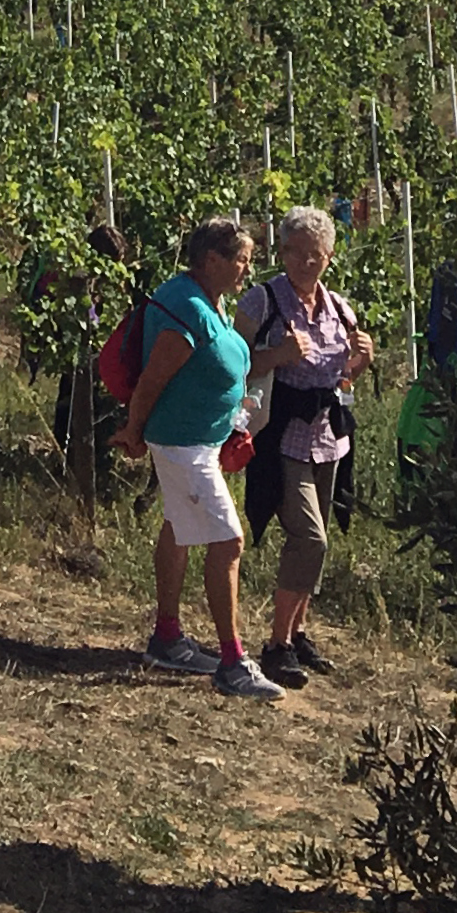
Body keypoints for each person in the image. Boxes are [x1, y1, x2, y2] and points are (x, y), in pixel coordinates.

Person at [116, 217, 283, 701]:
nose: (246, 269)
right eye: (241, 259)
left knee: (179, 529)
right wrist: (134, 430)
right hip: (183, 445)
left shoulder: (207, 301)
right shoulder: (186, 307)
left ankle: (166, 637)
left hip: (198, 441)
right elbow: (153, 379)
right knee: (228, 540)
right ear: (212, 259)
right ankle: (232, 662)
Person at [235, 205, 377, 689]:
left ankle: (297, 634)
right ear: (282, 252)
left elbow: (341, 380)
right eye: (297, 254)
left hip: (329, 437)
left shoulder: (340, 308)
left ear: (329, 258)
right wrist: (278, 355)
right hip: (281, 434)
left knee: (318, 540)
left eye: (315, 256)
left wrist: (359, 363)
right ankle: (275, 644)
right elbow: (233, 362)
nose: (306, 264)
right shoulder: (262, 301)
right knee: (309, 537)